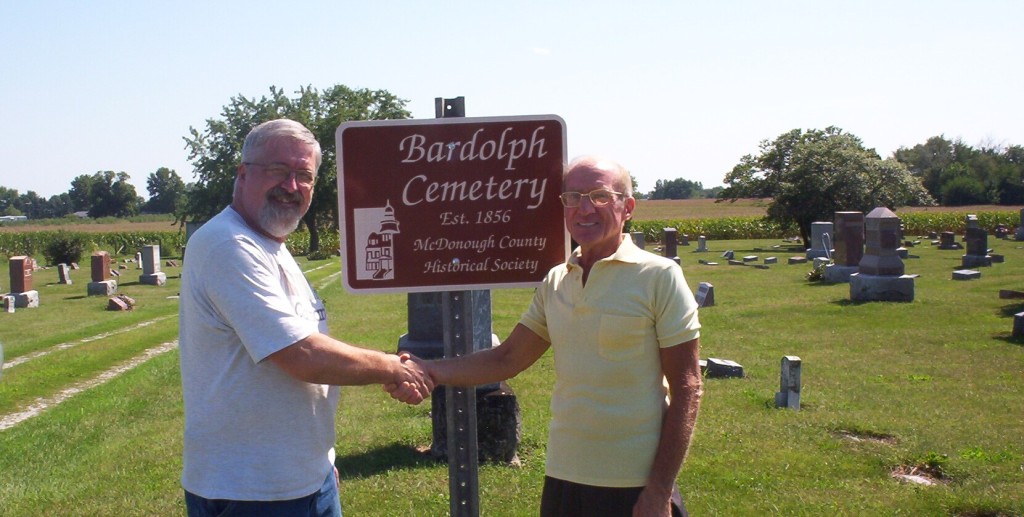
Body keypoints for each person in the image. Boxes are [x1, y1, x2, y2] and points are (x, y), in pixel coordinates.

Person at [412, 155, 703, 517]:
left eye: (599, 196)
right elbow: (507, 358)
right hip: (564, 474)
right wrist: (430, 370)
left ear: (626, 207)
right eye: (573, 197)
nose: (584, 209)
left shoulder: (659, 277)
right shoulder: (556, 280)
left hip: (633, 482)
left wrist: (659, 490)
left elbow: (688, 386)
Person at [179, 118, 433, 517]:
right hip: (254, 491)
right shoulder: (227, 245)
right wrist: (390, 367)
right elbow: (301, 354)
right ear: (243, 174)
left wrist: (320, 465)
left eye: (304, 176)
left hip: (301, 480)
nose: (291, 186)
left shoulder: (270, 246)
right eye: (279, 171)